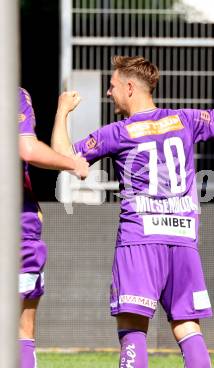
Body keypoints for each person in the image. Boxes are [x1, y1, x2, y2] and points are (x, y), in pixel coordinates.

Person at [51, 55, 214, 368]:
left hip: (140, 240)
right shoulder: (185, 120)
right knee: (188, 329)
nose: (109, 93)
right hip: (183, 240)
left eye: (112, 86)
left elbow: (63, 158)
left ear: (130, 87)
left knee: (132, 331)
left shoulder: (117, 132)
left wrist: (62, 111)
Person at [18, 87, 89, 368]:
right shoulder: (14, 94)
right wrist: (72, 163)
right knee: (22, 330)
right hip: (16, 226)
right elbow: (27, 148)